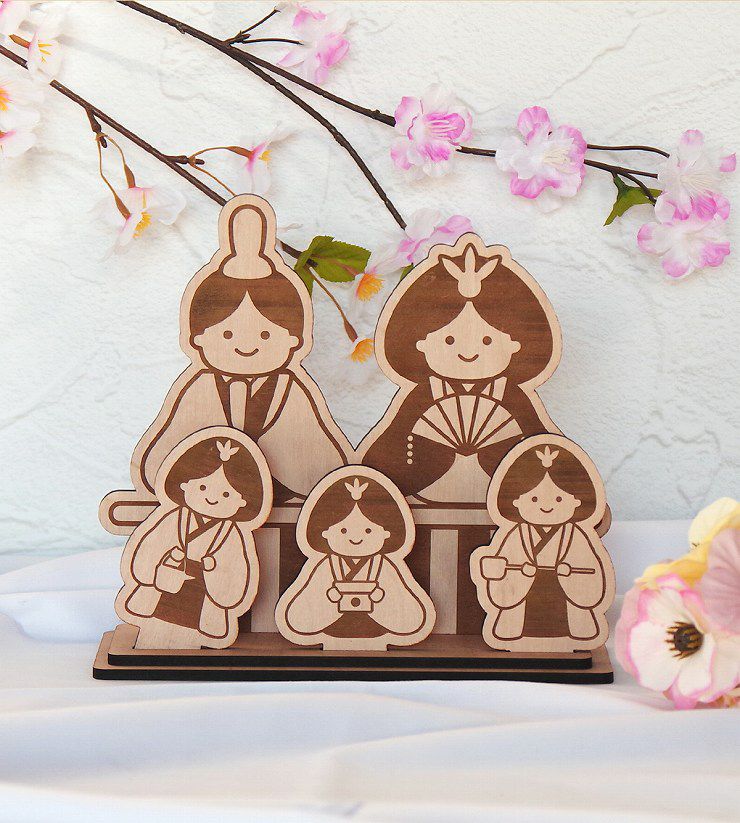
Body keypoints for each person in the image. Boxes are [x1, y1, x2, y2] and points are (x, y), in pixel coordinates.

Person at [132, 196, 350, 508]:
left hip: (280, 508)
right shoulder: (201, 387)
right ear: (198, 338)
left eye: (266, 334)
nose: (246, 345)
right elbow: (164, 455)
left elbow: (322, 464)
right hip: (207, 503)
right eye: (227, 333)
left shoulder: (290, 391)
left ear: (294, 339)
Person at [360, 239, 560, 506]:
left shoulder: (512, 397)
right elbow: (394, 442)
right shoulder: (423, 396)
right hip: (425, 499)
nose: (469, 351)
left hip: (503, 503)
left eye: (487, 341)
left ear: (516, 344)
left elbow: (539, 444)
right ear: (420, 343)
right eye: (449, 340)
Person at [117, 428, 272, 649]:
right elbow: (146, 553)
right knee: (154, 635)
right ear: (184, 484)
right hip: (164, 591)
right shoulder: (173, 519)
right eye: (203, 486)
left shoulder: (232, 535)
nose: (212, 497)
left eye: (226, 494)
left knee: (196, 634)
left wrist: (212, 568)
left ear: (243, 501)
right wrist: (164, 563)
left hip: (202, 599)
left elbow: (236, 576)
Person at [471, 435, 614, 651]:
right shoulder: (516, 534)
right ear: (515, 501)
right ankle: (514, 630)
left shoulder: (576, 535)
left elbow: (591, 569)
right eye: (534, 499)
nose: (546, 505)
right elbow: (499, 566)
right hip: (525, 595)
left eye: (559, 499)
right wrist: (505, 570)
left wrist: (570, 572)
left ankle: (572, 632)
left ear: (577, 501)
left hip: (564, 595)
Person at [276, 467, 436, 650]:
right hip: (330, 633)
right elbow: (297, 618)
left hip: (379, 633)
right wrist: (329, 599)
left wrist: (381, 600)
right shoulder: (326, 566)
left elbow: (413, 620)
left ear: (387, 533)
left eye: (368, 530)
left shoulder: (384, 566)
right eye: (343, 530)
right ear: (324, 532)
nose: (355, 537)